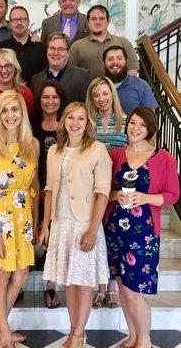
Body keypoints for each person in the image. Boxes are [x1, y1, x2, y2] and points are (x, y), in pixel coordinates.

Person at [104, 106, 179, 348]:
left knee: (135, 291)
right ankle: (133, 335)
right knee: (123, 288)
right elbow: (105, 191)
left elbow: (172, 195)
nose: (136, 128)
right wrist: (116, 195)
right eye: (133, 122)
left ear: (150, 129)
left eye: (142, 125)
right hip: (115, 230)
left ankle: (145, 340)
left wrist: (146, 198)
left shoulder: (164, 157)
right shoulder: (116, 155)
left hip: (144, 233)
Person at [39, 102, 112, 348]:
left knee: (82, 283)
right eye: (71, 117)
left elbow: (102, 192)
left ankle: (79, 335)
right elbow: (48, 189)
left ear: (87, 123)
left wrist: (93, 228)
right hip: (61, 223)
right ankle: (73, 330)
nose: (75, 123)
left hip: (84, 224)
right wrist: (46, 225)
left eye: (81, 119)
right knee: (68, 282)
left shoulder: (98, 150)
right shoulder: (54, 151)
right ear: (64, 121)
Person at [0, 90, 39, 348]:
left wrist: (35, 221)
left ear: (22, 113)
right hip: (1, 217)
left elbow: (35, 182)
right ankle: (4, 334)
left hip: (24, 217)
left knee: (22, 274)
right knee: (1, 276)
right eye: (4, 110)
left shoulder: (32, 144)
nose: (10, 115)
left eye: (15, 109)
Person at [86, 76, 128, 309]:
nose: (102, 99)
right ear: (91, 98)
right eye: (96, 94)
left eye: (105, 93)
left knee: (114, 240)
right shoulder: (88, 123)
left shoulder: (125, 120)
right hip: (94, 189)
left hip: (119, 189)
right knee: (98, 238)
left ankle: (111, 287)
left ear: (112, 94)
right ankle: (99, 287)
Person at [32, 80, 68, 309]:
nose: (50, 101)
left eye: (54, 97)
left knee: (54, 237)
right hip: (34, 188)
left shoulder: (68, 125)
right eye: (46, 97)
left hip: (62, 190)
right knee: (38, 234)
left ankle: (50, 286)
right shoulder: (32, 125)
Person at [69, 5, 139, 79]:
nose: (98, 22)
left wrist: (120, 89)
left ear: (108, 22)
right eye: (93, 19)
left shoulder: (123, 43)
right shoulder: (76, 46)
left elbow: (132, 70)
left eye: (102, 19)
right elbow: (70, 73)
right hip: (85, 90)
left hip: (116, 90)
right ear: (88, 23)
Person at [0, 5, 47, 86]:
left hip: (35, 96)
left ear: (28, 22)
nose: (19, 23)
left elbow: (45, 76)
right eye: (15, 20)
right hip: (7, 97)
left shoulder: (41, 48)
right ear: (10, 23)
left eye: (22, 19)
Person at [31, 32, 92, 103]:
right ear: (47, 51)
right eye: (52, 48)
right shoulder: (36, 80)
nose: (56, 53)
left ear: (68, 53)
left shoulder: (83, 77)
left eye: (61, 49)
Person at [103, 45, 158, 114]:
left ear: (126, 62)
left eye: (119, 58)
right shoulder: (97, 86)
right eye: (110, 59)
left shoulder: (141, 85)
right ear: (104, 63)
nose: (115, 62)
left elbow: (151, 118)